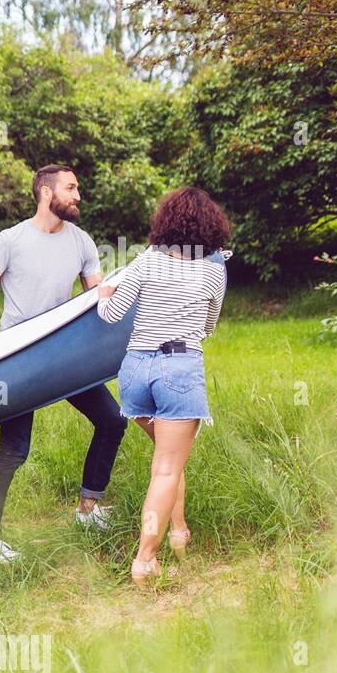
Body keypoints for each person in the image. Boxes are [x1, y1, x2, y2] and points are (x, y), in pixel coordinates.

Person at [0, 164, 128, 561]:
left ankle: (87, 507)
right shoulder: (10, 240)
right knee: (14, 449)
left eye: (78, 187)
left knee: (112, 419)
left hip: (64, 354)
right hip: (20, 359)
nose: (78, 195)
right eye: (71, 187)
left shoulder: (81, 241)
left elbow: (96, 300)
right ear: (47, 194)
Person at [97, 187, 231, 585]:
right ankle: (145, 561)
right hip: (178, 368)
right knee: (167, 467)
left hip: (134, 371)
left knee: (168, 456)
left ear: (165, 222)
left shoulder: (146, 261)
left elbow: (111, 314)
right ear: (211, 227)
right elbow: (207, 327)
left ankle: (179, 532)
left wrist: (105, 294)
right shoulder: (213, 269)